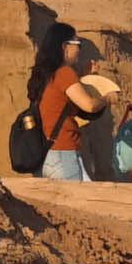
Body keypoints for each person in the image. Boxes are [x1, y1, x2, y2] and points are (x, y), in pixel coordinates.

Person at [28, 42, 99, 181]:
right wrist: (108, 98)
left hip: (46, 152)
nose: (79, 49)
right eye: (78, 44)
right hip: (62, 151)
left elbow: (62, 103)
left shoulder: (44, 75)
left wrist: (84, 77)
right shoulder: (64, 72)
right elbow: (89, 106)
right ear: (64, 46)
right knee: (76, 199)